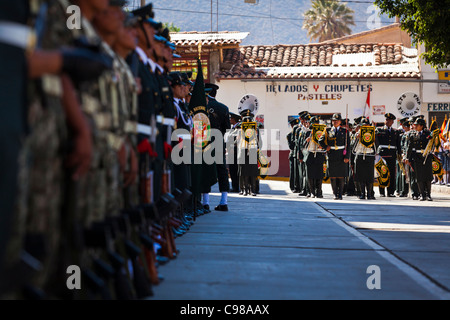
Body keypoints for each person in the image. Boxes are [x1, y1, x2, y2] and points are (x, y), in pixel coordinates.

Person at [204, 83, 231, 211]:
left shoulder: (202, 106)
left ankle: (205, 202)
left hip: (204, 143)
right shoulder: (224, 108)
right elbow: (227, 128)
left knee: (204, 169)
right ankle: (224, 201)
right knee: (222, 171)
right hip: (219, 141)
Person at [319, 113, 350, 200]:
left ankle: (340, 194)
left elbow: (348, 145)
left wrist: (347, 156)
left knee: (341, 176)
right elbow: (320, 140)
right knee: (332, 176)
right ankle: (335, 193)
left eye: (337, 121)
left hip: (341, 155)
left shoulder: (345, 131)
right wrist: (326, 147)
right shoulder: (328, 130)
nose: (335, 122)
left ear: (340, 122)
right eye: (334, 120)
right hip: (332, 154)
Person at [405, 118, 433, 201]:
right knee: (419, 177)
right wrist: (407, 158)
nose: (415, 126)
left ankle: (428, 194)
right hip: (417, 157)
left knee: (427, 176)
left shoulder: (428, 133)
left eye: (417, 125)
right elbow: (410, 147)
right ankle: (422, 195)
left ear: (421, 126)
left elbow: (432, 143)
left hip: (426, 157)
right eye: (415, 125)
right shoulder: (413, 134)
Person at [298, 116, 325, 198]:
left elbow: (325, 143)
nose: (315, 126)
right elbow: (302, 146)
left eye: (316, 124)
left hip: (319, 155)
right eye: (313, 124)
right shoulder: (306, 132)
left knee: (319, 175)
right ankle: (311, 192)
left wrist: (322, 146)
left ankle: (319, 192)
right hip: (309, 156)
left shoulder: (323, 132)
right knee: (310, 175)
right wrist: (307, 141)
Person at [375, 113, 400, 197]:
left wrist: (399, 154)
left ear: (392, 122)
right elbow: (376, 142)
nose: (388, 121)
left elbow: (398, 145)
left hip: (392, 154)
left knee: (392, 173)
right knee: (382, 172)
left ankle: (390, 192)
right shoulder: (379, 130)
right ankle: (382, 192)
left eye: (390, 120)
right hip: (382, 153)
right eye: (387, 120)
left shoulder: (395, 132)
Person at [237, 110, 260, 196]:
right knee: (243, 171)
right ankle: (244, 189)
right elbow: (236, 142)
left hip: (252, 151)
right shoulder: (239, 131)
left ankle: (252, 189)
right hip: (242, 151)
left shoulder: (255, 131)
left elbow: (259, 142)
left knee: (253, 172)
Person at [353, 117, 376, 200]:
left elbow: (376, 145)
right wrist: (357, 138)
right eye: (363, 125)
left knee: (369, 176)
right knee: (361, 176)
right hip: (360, 155)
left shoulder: (373, 132)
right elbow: (353, 145)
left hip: (369, 155)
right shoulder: (357, 133)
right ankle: (362, 193)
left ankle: (369, 194)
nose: (365, 127)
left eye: (366, 125)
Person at [227, 112, 242, 193]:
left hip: (235, 152)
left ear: (233, 119)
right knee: (232, 170)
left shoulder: (238, 128)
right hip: (231, 152)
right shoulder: (233, 127)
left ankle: (236, 187)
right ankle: (235, 186)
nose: (229, 120)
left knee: (235, 170)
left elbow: (238, 140)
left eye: (231, 118)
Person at [287, 117, 300, 192]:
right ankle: (293, 186)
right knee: (293, 171)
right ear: (292, 126)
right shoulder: (290, 135)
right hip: (293, 155)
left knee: (298, 172)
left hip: (299, 154)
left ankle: (298, 186)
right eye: (294, 125)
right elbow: (291, 146)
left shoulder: (300, 133)